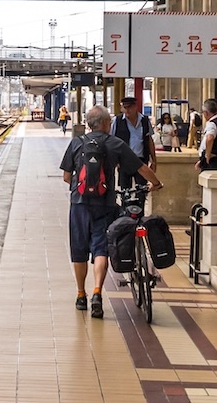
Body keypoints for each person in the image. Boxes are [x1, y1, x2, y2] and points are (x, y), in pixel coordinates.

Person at [60, 105, 161, 318]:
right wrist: (156, 183)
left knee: (79, 250)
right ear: (107, 124)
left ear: (88, 123)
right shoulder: (115, 143)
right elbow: (141, 168)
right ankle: (97, 291)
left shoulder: (77, 143)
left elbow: (67, 177)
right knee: (100, 250)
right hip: (105, 205)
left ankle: (81, 295)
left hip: (78, 205)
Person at [112, 96, 155, 189]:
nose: (127, 110)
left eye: (130, 107)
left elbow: (149, 141)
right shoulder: (117, 121)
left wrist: (154, 160)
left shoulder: (144, 120)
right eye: (125, 107)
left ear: (135, 107)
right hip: (124, 161)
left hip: (141, 160)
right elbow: (111, 141)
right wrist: (115, 159)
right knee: (125, 190)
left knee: (142, 189)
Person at [197, 97, 217, 171]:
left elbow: (209, 138)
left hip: (213, 161)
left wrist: (207, 155)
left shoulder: (212, 124)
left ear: (206, 113)